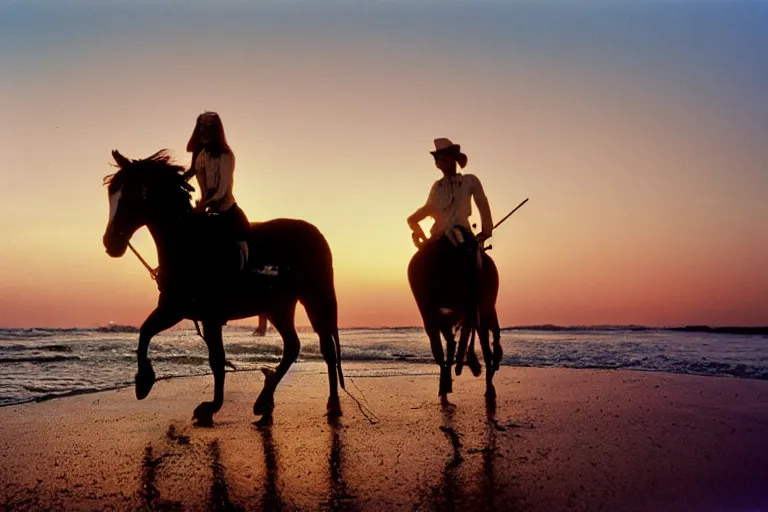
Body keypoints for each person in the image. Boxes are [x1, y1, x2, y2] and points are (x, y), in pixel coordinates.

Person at [186, 111, 250, 271]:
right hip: (206, 212)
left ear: (216, 131)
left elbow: (222, 191)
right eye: (201, 127)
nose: (204, 132)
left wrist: (203, 206)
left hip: (227, 213)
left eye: (209, 128)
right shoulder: (201, 156)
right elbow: (189, 175)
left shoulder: (226, 156)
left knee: (234, 256)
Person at [407, 137, 493, 251]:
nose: (441, 160)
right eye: (439, 158)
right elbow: (428, 208)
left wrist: (485, 232)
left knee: (474, 259)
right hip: (438, 238)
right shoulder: (437, 186)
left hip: (464, 236)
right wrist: (423, 238)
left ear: (454, 159)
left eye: (445, 157)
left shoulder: (470, 181)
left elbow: (483, 205)